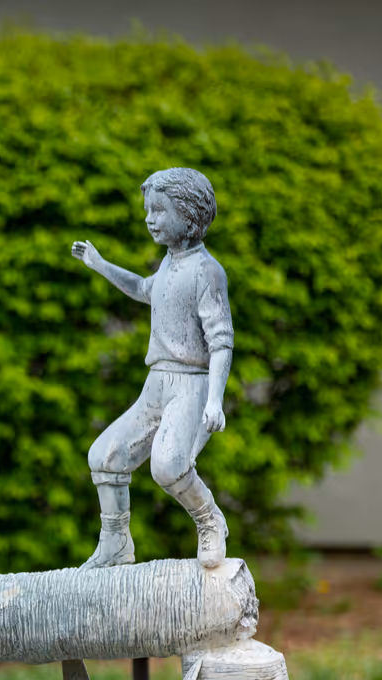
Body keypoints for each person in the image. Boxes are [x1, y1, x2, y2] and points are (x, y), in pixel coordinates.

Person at [71, 167, 234, 570]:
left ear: (189, 214)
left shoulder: (206, 271)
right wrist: (100, 264)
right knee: (105, 456)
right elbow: (143, 289)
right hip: (157, 383)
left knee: (169, 466)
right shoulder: (167, 265)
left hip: (190, 385)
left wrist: (215, 400)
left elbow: (221, 340)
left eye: (159, 210)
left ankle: (210, 520)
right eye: (148, 210)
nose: (150, 219)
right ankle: (116, 544)